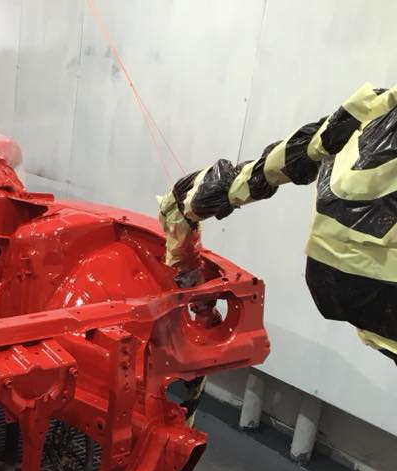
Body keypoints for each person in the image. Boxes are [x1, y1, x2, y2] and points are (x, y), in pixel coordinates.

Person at [157, 83, 397, 365]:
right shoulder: (376, 112)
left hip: (338, 282)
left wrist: (219, 191)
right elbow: (307, 147)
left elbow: (302, 149)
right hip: (370, 287)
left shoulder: (374, 109)